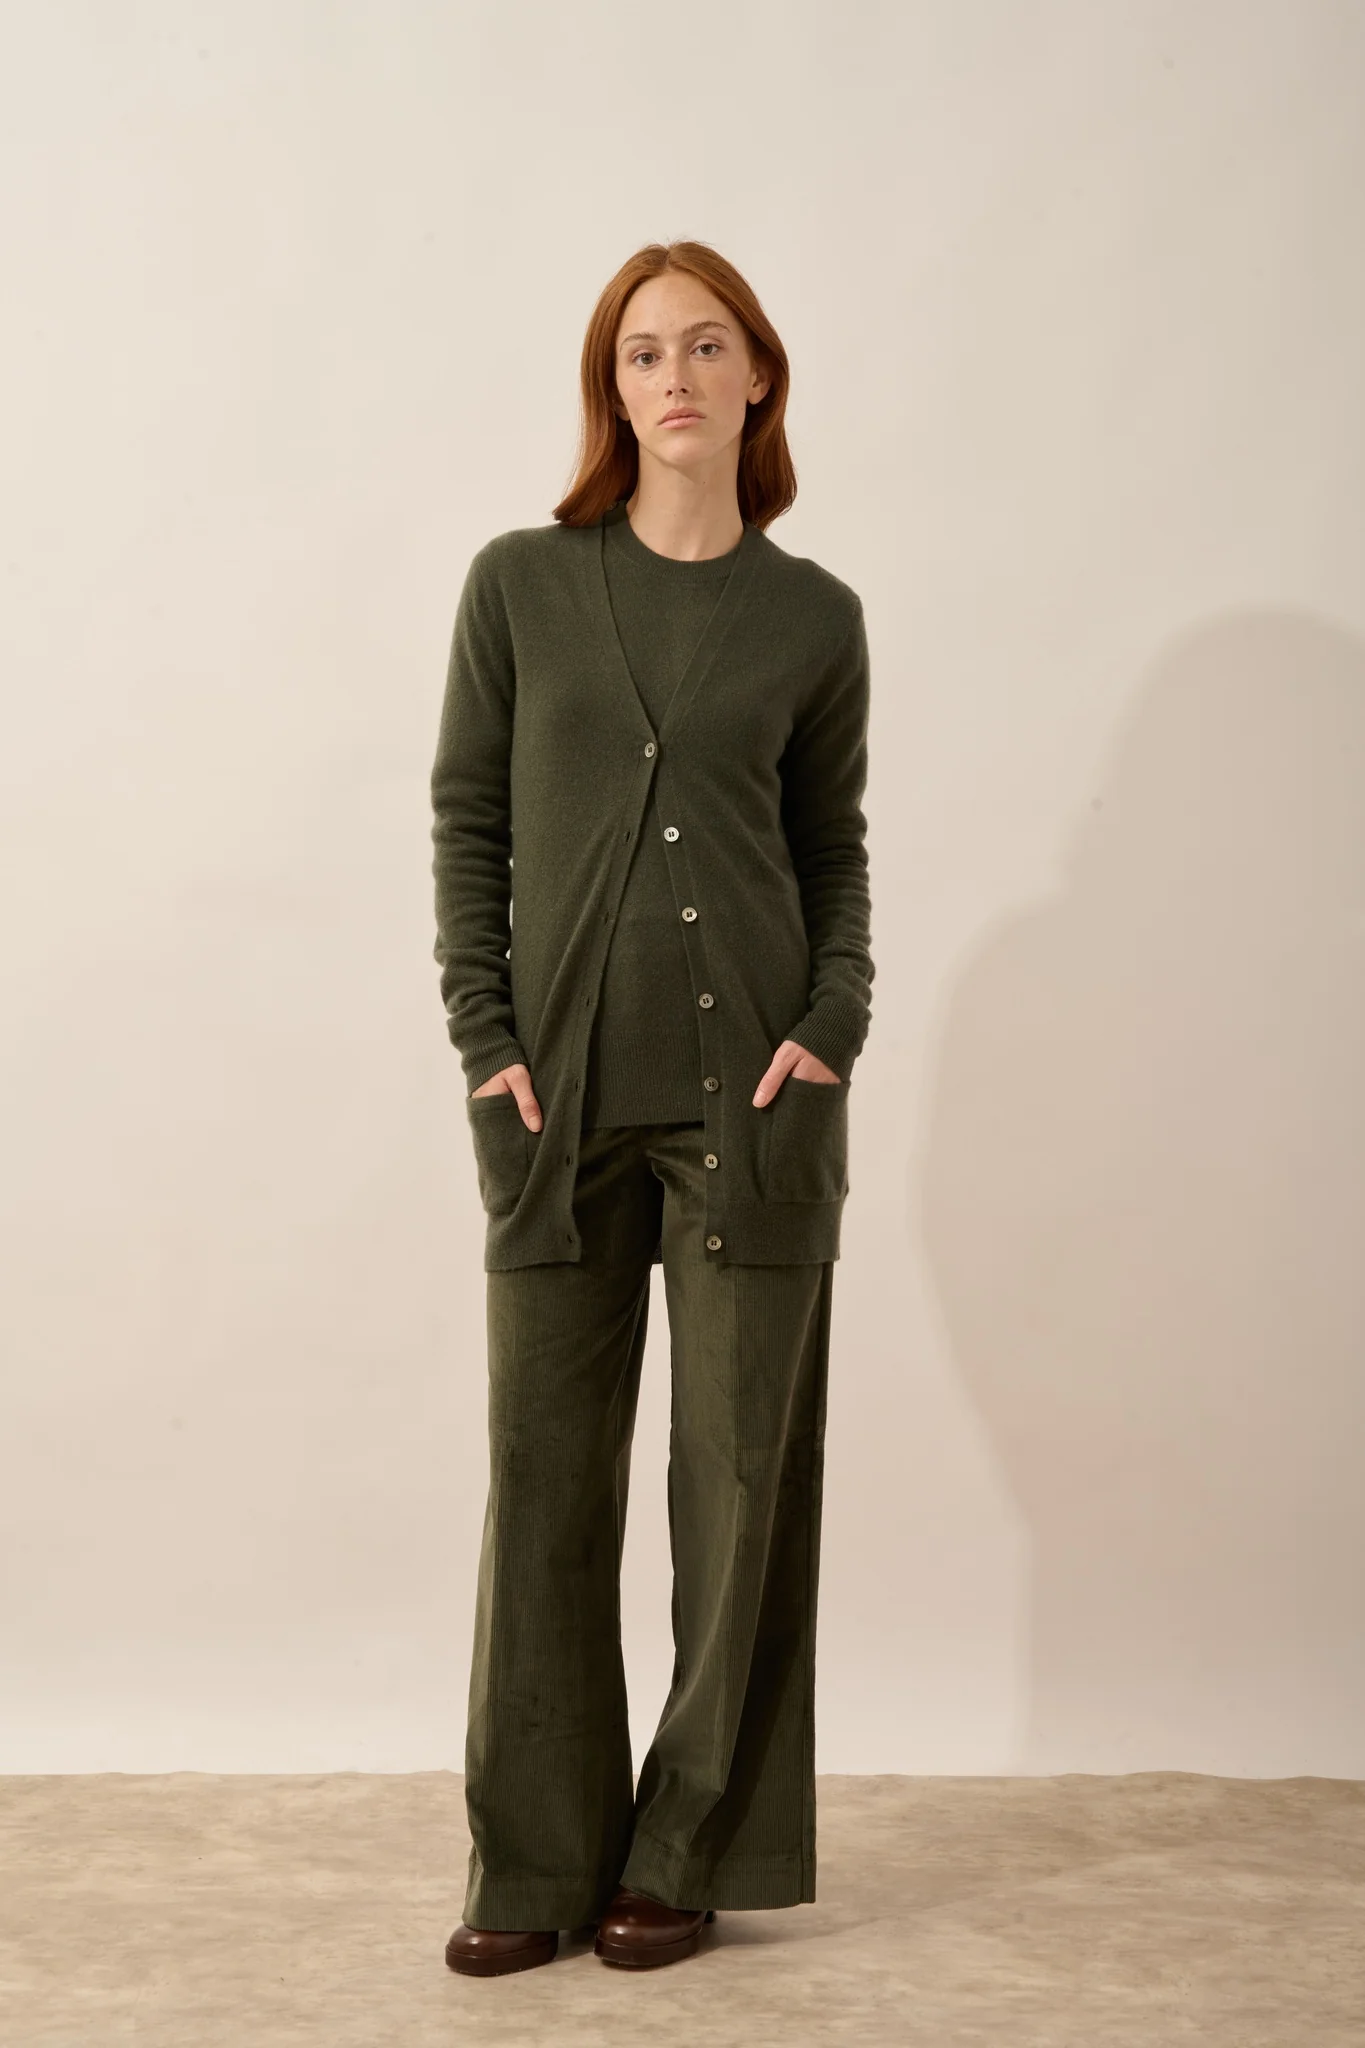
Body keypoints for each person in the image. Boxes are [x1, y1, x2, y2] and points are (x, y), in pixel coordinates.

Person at [431, 238, 874, 1978]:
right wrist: (485, 1037)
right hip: (551, 1108)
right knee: (545, 1485)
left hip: (755, 1106)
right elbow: (470, 823)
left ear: (757, 374)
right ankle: (533, 1860)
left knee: (736, 1487)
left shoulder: (814, 617)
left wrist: (832, 1021)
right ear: (608, 392)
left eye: (703, 347)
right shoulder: (521, 585)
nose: (672, 378)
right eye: (639, 354)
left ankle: (685, 1850)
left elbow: (831, 851)